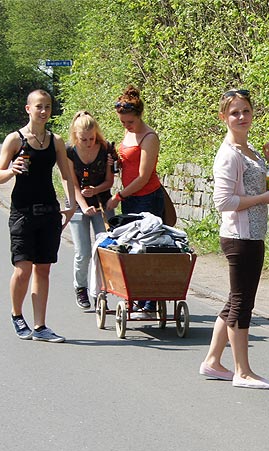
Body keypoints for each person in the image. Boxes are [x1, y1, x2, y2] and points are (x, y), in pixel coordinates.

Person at [198, 89, 269, 389]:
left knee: (235, 299)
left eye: (245, 111)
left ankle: (212, 361)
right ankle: (242, 371)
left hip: (253, 234)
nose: (241, 117)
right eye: (234, 112)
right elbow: (223, 201)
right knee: (242, 304)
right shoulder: (228, 155)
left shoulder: (251, 152)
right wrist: (262, 197)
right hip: (239, 236)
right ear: (224, 117)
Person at [0, 89, 76, 342]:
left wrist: (71, 203)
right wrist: (11, 170)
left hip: (49, 211)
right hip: (22, 212)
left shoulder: (56, 141)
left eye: (48, 107)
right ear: (28, 109)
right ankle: (17, 316)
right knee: (23, 268)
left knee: (43, 269)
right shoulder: (15, 140)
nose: (44, 111)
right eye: (39, 106)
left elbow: (65, 174)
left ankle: (40, 327)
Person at [105, 85, 164, 315]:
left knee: (148, 248)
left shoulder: (149, 137)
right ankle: (136, 296)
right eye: (123, 123)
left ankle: (149, 302)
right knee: (131, 248)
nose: (127, 126)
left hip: (147, 198)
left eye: (130, 122)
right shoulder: (129, 132)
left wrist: (118, 196)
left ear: (139, 116)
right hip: (130, 197)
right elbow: (128, 164)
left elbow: (143, 176)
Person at [66, 111, 116, 310]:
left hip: (102, 202)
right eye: (83, 139)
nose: (88, 143)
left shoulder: (105, 149)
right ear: (75, 136)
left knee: (104, 249)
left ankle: (100, 291)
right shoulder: (70, 152)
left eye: (91, 138)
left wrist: (96, 190)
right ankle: (81, 287)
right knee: (84, 252)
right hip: (79, 205)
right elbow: (73, 185)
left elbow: (109, 181)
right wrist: (84, 207)